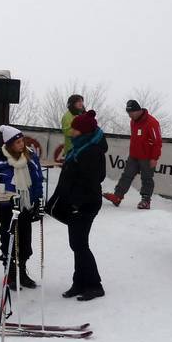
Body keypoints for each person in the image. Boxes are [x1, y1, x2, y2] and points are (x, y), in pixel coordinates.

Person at [46, 109, 108, 301]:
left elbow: (93, 180)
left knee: (80, 245)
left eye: (74, 129)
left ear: (83, 131)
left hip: (84, 205)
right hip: (77, 204)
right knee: (77, 244)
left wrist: (76, 203)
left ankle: (94, 285)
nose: (71, 132)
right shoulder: (80, 147)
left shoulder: (91, 151)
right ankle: (79, 282)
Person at [0, 125, 44, 289]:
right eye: (18, 142)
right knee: (8, 236)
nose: (21, 145)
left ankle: (22, 270)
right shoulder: (0, 158)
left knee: (25, 238)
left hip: (26, 203)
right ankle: (10, 272)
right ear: (10, 144)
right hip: (8, 204)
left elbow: (37, 178)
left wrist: (38, 199)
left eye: (22, 141)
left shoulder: (30, 156)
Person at [104, 100, 161, 209]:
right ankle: (117, 196)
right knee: (126, 175)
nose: (129, 115)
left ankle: (146, 200)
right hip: (134, 155)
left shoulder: (152, 122)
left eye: (131, 113)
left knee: (147, 178)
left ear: (138, 111)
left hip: (147, 157)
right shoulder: (133, 121)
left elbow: (157, 142)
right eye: (128, 113)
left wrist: (154, 158)